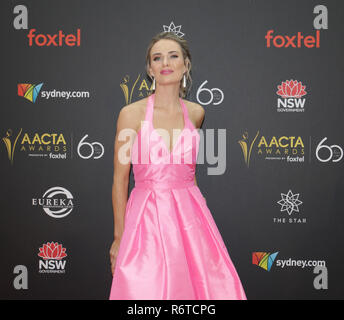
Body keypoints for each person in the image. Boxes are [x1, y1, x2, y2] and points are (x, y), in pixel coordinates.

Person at [109, 31, 247, 300]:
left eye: (173, 56)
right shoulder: (131, 114)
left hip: (190, 217)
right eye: (157, 58)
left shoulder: (196, 113)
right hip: (146, 217)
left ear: (186, 64)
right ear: (150, 68)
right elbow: (120, 180)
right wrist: (118, 237)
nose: (165, 63)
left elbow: (189, 172)